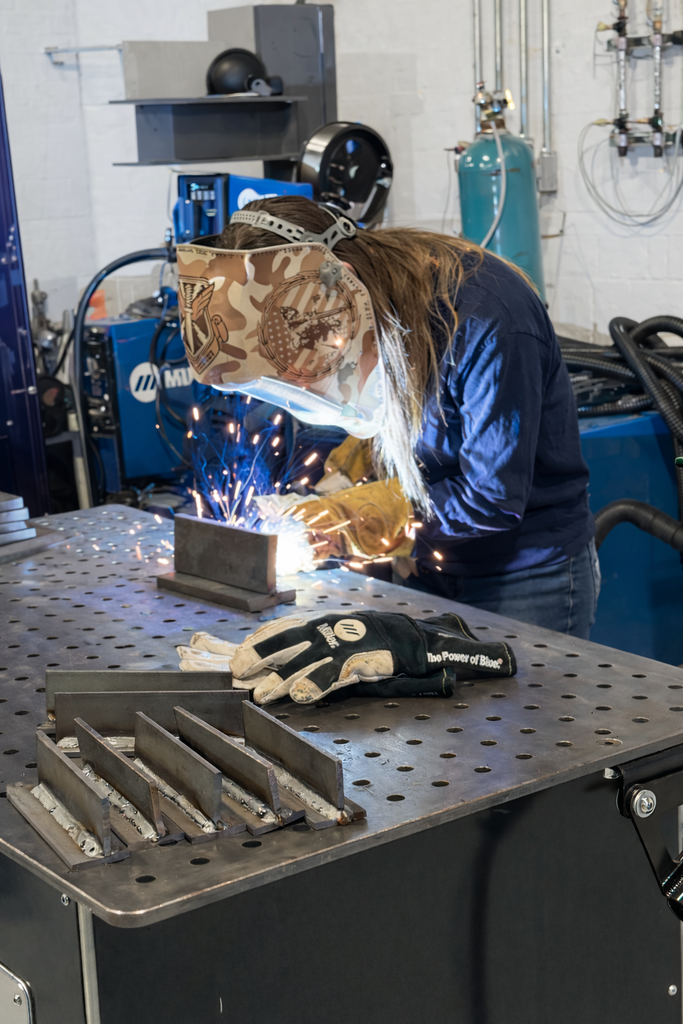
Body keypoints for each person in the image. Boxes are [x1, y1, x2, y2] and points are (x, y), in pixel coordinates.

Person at [176, 196, 599, 639]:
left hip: (523, 577)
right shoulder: (372, 303)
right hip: (425, 565)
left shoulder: (486, 318)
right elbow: (383, 405)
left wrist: (346, 521)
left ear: (342, 286)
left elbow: (492, 496)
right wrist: (344, 480)